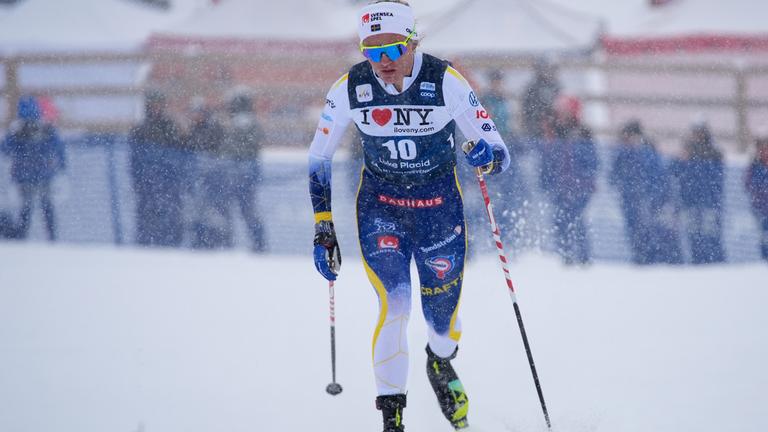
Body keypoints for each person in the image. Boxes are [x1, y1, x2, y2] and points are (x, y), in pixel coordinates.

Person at [307, 2, 511, 431]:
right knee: (395, 305)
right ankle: (392, 417)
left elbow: (499, 153)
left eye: (392, 49)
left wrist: (484, 156)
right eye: (371, 50)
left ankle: (439, 363)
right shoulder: (349, 87)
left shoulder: (445, 82)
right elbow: (318, 158)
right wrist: (323, 225)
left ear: (413, 43)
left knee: (441, 325)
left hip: (439, 214)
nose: (382, 63)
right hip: (382, 210)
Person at [610, 120, 682, 264]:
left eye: (627, 137)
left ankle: (654, 261)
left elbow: (658, 179)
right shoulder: (623, 154)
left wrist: (652, 198)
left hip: (648, 202)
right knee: (636, 235)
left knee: (654, 234)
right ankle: (642, 260)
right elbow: (613, 177)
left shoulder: (647, 152)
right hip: (631, 201)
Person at [537, 95, 598, 265]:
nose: (561, 115)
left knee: (576, 220)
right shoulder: (553, 132)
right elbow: (547, 161)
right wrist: (546, 182)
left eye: (564, 111)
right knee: (560, 220)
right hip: (560, 187)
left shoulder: (584, 134)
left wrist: (580, 180)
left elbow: (592, 162)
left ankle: (583, 256)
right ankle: (566, 255)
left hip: (579, 188)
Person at [1, 95, 65, 241]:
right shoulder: (44, 130)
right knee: (43, 208)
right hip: (40, 175)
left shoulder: (22, 132)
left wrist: (12, 134)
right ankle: (51, 238)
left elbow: (5, 150)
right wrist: (61, 169)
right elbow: (58, 149)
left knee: (30, 209)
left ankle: (25, 237)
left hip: (28, 177)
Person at [128, 90, 185, 247]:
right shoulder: (140, 129)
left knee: (171, 215)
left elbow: (180, 150)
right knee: (147, 215)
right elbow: (134, 158)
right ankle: (147, 244)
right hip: (147, 182)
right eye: (153, 105)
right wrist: (139, 179)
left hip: (169, 181)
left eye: (159, 105)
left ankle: (171, 243)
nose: (156, 108)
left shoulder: (170, 126)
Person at [671, 121, 726, 264]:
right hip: (690, 202)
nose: (695, 136)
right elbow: (674, 171)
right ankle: (699, 263)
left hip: (709, 203)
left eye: (698, 133)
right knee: (694, 236)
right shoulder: (687, 152)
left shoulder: (712, 153)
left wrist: (690, 160)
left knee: (711, 236)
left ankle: (715, 264)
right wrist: (681, 159)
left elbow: (711, 178)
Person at [220, 92, 267, 252]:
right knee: (241, 211)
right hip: (238, 175)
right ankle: (253, 244)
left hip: (242, 175)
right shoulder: (242, 123)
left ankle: (255, 245)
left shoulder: (245, 124)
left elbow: (238, 147)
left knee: (244, 212)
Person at [522, 57, 560, 141]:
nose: (547, 71)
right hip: (537, 129)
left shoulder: (556, 86)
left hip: (554, 130)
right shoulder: (532, 88)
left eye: (550, 68)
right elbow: (528, 110)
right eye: (545, 68)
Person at [745, 131, 768, 262]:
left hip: (761, 206)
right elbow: (748, 183)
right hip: (761, 207)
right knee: (763, 236)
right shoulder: (755, 163)